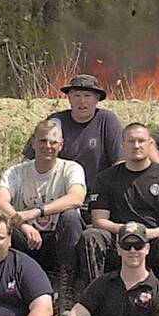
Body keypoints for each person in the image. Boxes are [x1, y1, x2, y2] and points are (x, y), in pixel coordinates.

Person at [77, 123, 159, 291]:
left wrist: (147, 234)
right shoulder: (106, 178)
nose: (136, 146)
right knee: (91, 236)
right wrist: (125, 230)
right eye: (131, 142)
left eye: (141, 141)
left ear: (150, 144)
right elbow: (99, 220)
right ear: (122, 146)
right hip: (118, 239)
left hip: (153, 238)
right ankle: (93, 297)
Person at [0, 118, 87, 308]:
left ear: (61, 145)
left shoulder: (71, 169)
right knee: (2, 223)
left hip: (59, 242)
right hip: (27, 240)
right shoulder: (17, 172)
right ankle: (6, 285)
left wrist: (35, 213)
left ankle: (66, 286)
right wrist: (23, 224)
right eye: (43, 141)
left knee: (71, 216)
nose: (48, 146)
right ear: (34, 142)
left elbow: (76, 197)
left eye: (53, 142)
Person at [22, 73, 124, 213]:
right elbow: (28, 160)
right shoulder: (56, 121)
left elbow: (120, 163)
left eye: (87, 96)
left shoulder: (107, 120)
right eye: (77, 96)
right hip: (58, 198)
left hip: (97, 199)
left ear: (97, 99)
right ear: (69, 98)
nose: (82, 101)